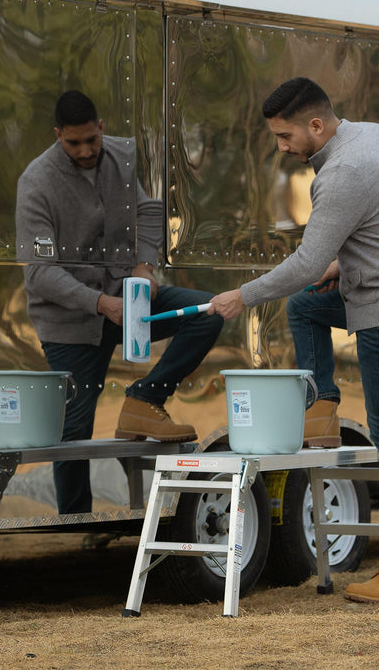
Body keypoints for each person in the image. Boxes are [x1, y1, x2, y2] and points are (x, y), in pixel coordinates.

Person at [209, 77, 379, 603]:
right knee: (308, 306)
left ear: (316, 125)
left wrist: (242, 296)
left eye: (286, 136)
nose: (282, 147)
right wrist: (348, 262)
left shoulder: (341, 173)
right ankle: (324, 407)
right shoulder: (377, 135)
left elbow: (304, 263)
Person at [16, 90, 223, 514]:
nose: (87, 150)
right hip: (71, 321)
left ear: (102, 128)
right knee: (73, 433)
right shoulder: (36, 182)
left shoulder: (121, 157)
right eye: (74, 143)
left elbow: (149, 210)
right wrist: (99, 303)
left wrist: (145, 267)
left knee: (206, 312)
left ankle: (145, 399)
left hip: (128, 300)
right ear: (58, 136)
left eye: (92, 139)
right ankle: (76, 522)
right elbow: (39, 273)